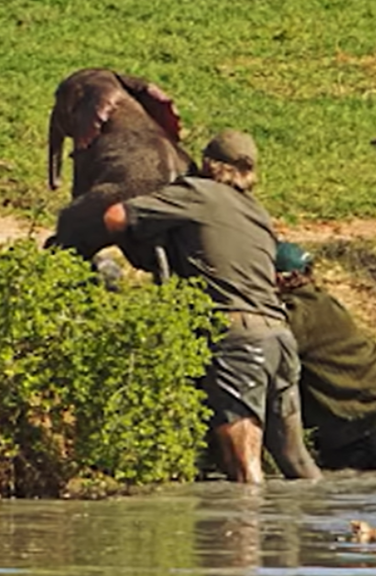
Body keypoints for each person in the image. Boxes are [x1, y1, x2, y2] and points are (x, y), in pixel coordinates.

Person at [101, 129, 322, 484]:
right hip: (280, 338)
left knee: (245, 473)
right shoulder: (258, 213)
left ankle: (241, 536)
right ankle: (325, 529)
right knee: (297, 463)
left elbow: (115, 216)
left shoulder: (199, 193)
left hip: (237, 340)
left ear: (208, 164)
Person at [275, 241, 376, 476]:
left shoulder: (301, 313)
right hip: (354, 419)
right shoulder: (319, 301)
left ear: (283, 278)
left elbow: (273, 342)